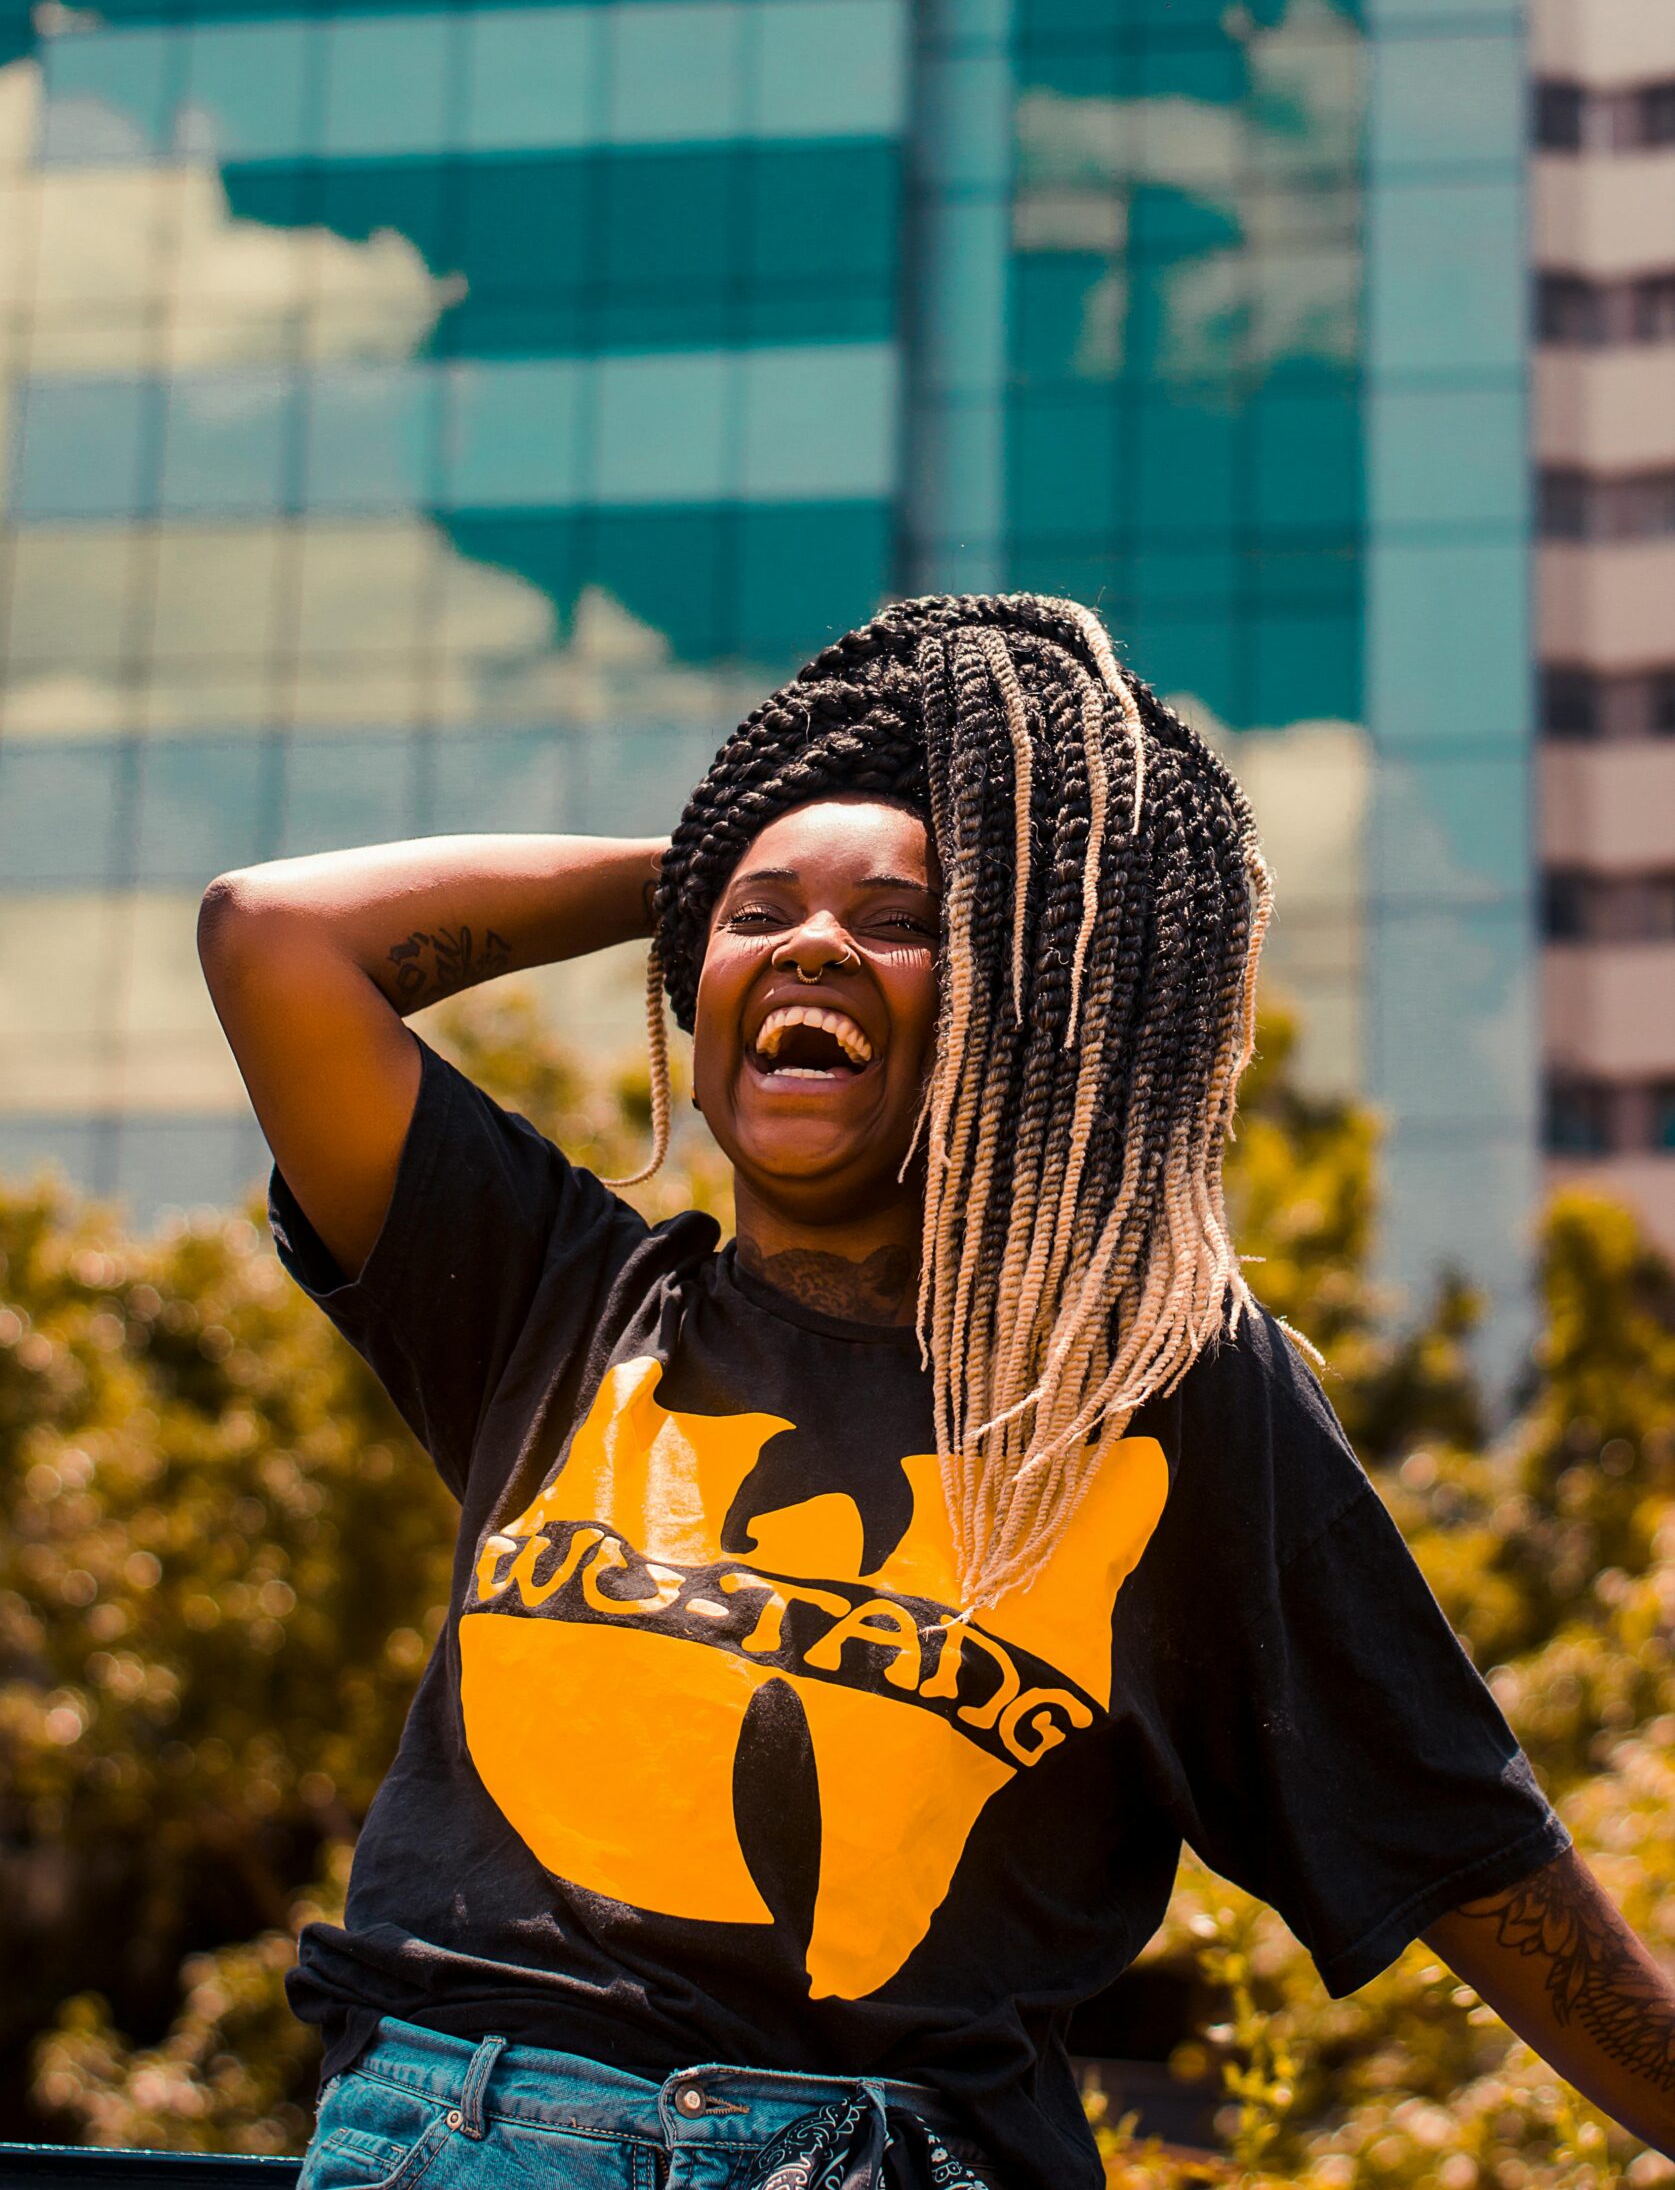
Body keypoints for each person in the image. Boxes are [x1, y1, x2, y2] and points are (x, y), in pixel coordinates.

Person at [199, 594, 1675, 2190]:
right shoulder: (555, 1304)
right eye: (755, 920)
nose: (813, 943)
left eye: (901, 921)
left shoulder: (1151, 1399)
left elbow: (1468, 1853)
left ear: (1024, 1002)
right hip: (453, 2133)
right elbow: (277, 943)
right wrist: (714, 857)